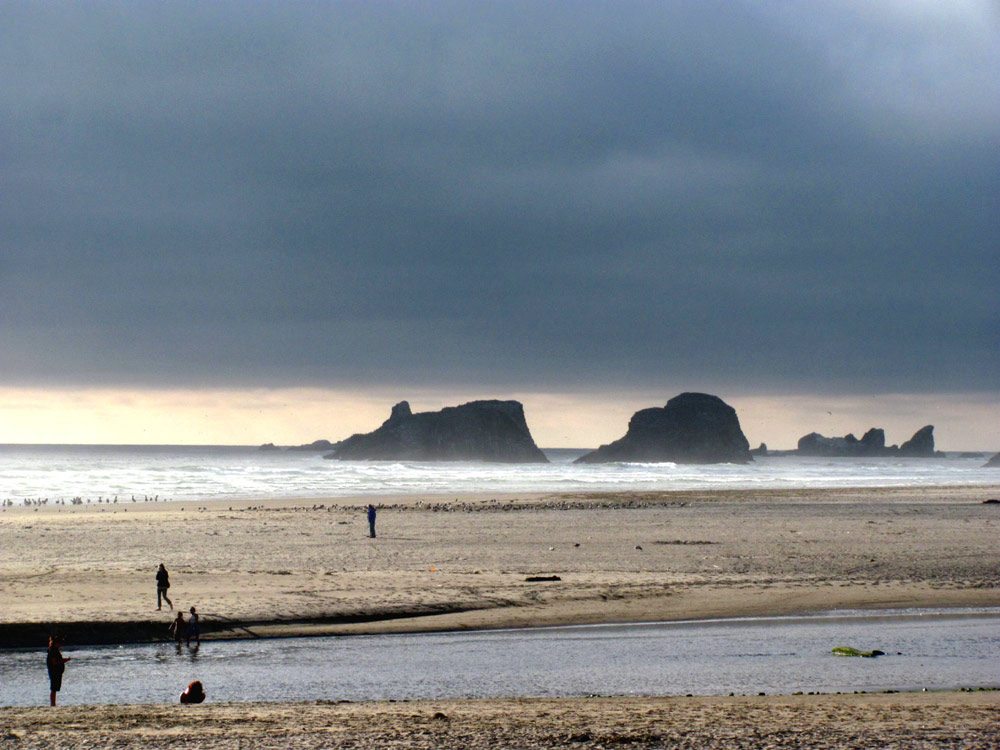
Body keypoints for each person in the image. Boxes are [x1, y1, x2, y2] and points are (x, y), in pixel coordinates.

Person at [47, 635, 71, 706]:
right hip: (54, 672)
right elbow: (54, 662)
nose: (61, 645)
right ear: (56, 643)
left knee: (55, 688)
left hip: (56, 672)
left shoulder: (54, 650)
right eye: (60, 643)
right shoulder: (53, 650)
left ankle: (53, 703)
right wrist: (64, 660)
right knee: (54, 688)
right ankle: (53, 704)